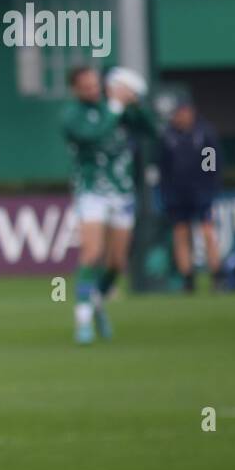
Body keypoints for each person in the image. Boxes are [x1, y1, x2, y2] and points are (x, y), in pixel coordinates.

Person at [60, 65, 156, 344]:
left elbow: (152, 130)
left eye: (95, 84)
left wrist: (136, 103)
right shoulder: (71, 115)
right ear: (75, 89)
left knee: (117, 261)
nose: (93, 89)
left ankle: (98, 301)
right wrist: (116, 105)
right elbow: (95, 135)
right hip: (92, 191)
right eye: (86, 86)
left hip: (122, 192)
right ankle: (82, 319)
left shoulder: (117, 109)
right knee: (92, 253)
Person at [159, 100, 222, 291]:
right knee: (180, 233)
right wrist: (166, 192)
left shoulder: (204, 133)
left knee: (207, 231)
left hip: (201, 192)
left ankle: (216, 275)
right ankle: (187, 277)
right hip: (177, 194)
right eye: (179, 113)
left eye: (186, 112)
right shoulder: (167, 136)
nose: (182, 117)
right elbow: (163, 167)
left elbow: (211, 163)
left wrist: (208, 188)